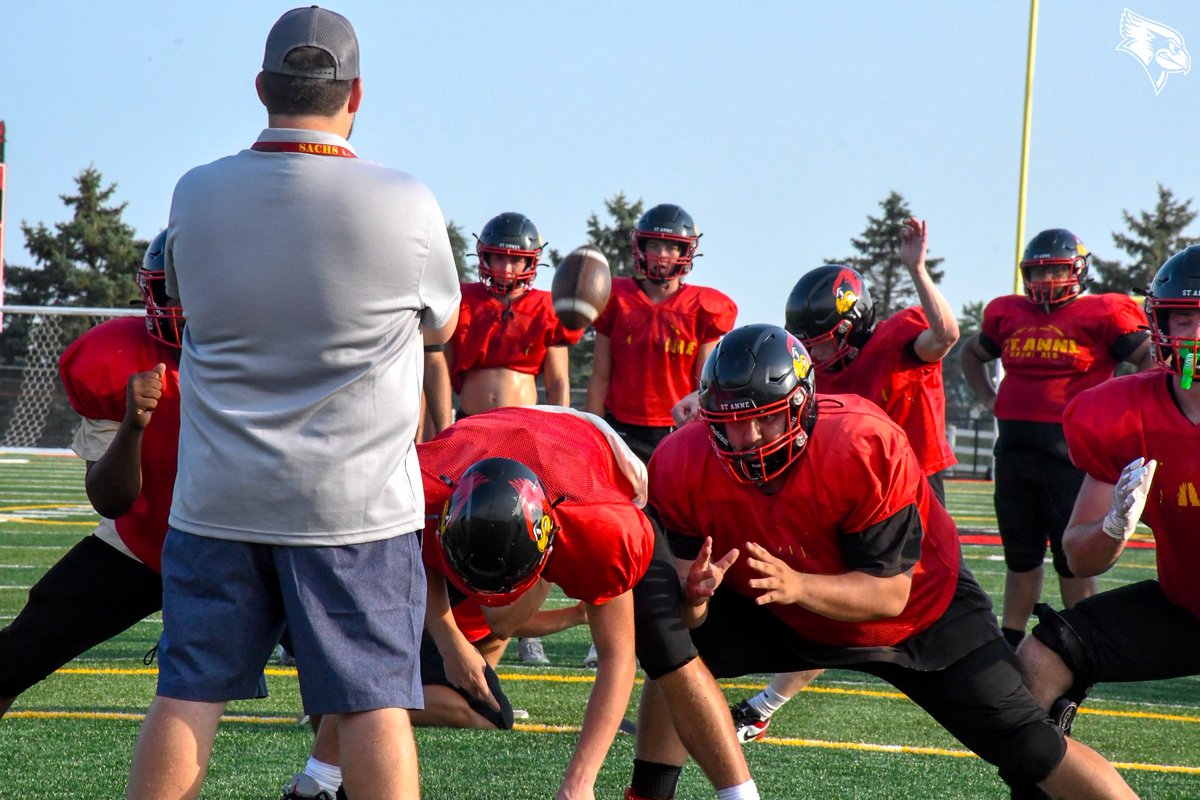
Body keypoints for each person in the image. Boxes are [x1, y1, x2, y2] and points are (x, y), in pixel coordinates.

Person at [126, 8, 461, 800]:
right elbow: (441, 326)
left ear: (261, 87)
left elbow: (188, 296)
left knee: (188, 692)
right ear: (356, 94)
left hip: (219, 497)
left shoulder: (195, 192)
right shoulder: (404, 200)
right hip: (355, 506)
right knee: (374, 702)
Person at [630, 323, 1137, 799]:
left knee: (1030, 746)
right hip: (779, 604)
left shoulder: (859, 443)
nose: (748, 439)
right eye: (732, 423)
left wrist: (798, 585)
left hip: (919, 614)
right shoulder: (681, 461)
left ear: (802, 404)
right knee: (672, 644)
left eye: (764, 418)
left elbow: (890, 593)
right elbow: (689, 612)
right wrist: (695, 599)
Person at [290, 406, 759, 800]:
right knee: (384, 629)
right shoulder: (418, 489)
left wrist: (580, 782)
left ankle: (739, 793)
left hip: (588, 459)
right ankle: (319, 779)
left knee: (667, 648)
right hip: (473, 454)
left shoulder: (600, 527)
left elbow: (616, 659)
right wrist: (449, 639)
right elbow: (412, 557)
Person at [725, 217, 960, 742]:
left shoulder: (896, 340)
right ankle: (763, 707)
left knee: (936, 601)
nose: (816, 355)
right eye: (808, 345)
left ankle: (984, 683)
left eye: (825, 341)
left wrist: (917, 269)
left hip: (914, 490)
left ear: (855, 322)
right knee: (829, 595)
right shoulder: (818, 372)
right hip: (854, 493)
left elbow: (946, 335)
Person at [1017, 245, 1200, 758]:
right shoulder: (1122, 412)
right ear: (1159, 324)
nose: (1197, 335)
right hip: (1187, 609)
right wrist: (1114, 525)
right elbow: (1079, 558)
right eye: (1184, 319)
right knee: (1042, 657)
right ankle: (1049, 786)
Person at [0, 233, 182, 718]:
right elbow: (110, 499)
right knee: (17, 654)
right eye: (173, 290)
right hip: (145, 539)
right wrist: (133, 425)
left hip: (261, 541)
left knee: (344, 682)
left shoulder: (286, 353)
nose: (184, 306)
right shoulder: (117, 358)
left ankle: (325, 766)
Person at [961, 229, 1151, 650]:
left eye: (1056, 270)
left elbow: (1147, 358)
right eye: (1038, 271)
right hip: (1015, 451)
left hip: (1073, 456)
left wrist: (1119, 409)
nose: (1046, 280)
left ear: (1078, 271)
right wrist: (990, 398)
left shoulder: (1104, 311)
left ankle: (1083, 643)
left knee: (1073, 560)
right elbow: (971, 353)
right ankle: (1011, 641)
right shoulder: (1008, 311)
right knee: (1020, 555)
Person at [447, 211, 585, 665]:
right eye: (499, 258)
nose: (506, 268)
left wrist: (564, 432)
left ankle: (527, 632)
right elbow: (439, 370)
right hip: (470, 426)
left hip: (526, 431)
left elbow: (558, 382)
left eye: (515, 260)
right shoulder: (462, 300)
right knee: (463, 520)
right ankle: (458, 617)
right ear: (483, 258)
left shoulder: (548, 307)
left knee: (530, 525)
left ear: (531, 263)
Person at [587, 203, 737, 465]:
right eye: (654, 246)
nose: (662, 255)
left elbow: (704, 385)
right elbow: (600, 377)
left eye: (670, 247)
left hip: (677, 426)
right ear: (641, 248)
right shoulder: (615, 298)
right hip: (619, 427)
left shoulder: (703, 308)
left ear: (685, 252)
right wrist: (592, 431)